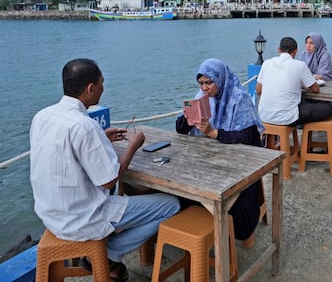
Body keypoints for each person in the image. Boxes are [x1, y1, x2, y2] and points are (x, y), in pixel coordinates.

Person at [30, 58, 181, 281]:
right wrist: (133, 146)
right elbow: (109, 181)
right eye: (102, 83)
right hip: (83, 218)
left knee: (140, 199)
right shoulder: (84, 125)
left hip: (51, 215)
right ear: (91, 88)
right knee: (172, 205)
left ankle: (108, 252)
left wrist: (102, 139)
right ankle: (112, 253)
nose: (103, 88)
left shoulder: (42, 116)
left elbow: (68, 157)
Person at [175, 58, 264, 248]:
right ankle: (201, 226)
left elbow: (247, 135)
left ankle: (243, 232)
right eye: (201, 83)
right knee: (184, 186)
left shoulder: (239, 98)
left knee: (238, 200)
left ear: (220, 80)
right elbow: (180, 129)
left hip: (240, 161)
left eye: (209, 83)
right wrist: (187, 117)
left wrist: (214, 133)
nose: (205, 88)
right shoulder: (201, 97)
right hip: (209, 157)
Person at [257, 37, 332, 126]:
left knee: (302, 102)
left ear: (279, 50)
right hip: (286, 118)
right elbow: (316, 89)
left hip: (264, 115)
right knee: (327, 108)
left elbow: (258, 90)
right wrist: (302, 85)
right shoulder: (299, 65)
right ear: (296, 51)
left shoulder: (267, 63)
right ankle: (308, 135)